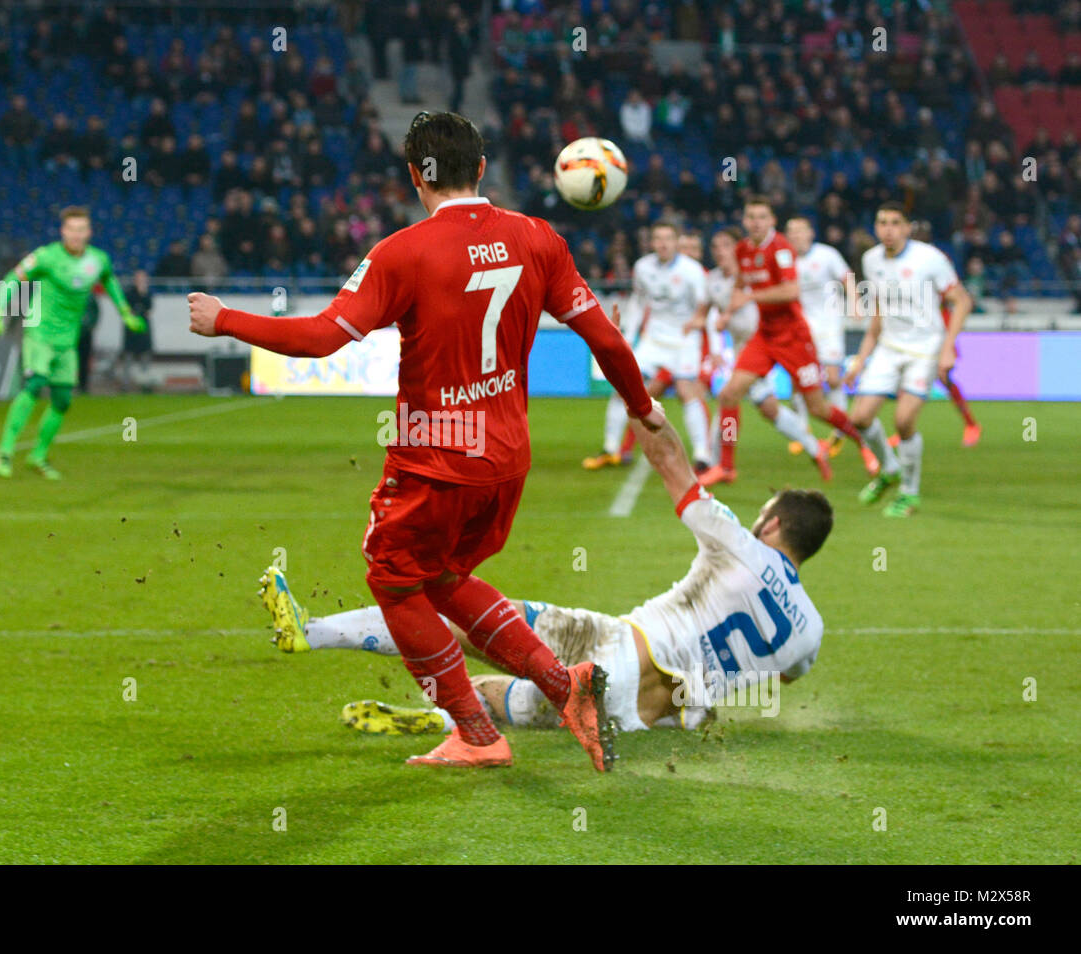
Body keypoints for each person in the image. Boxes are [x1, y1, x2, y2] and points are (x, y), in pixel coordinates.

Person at [189, 111, 666, 771]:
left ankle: (478, 733)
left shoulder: (403, 252)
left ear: (417, 176)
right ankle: (566, 686)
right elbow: (607, 339)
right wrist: (642, 409)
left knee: (392, 577)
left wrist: (225, 320)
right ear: (479, 169)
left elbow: (324, 338)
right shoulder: (538, 238)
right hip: (507, 457)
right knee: (443, 576)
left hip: (437, 455)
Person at [261, 403, 830, 741]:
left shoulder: (741, 545)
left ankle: (310, 633)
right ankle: (441, 723)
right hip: (630, 718)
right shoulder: (810, 629)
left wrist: (640, 401)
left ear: (774, 525)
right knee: (496, 692)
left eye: (763, 516)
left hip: (615, 647)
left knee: (459, 615)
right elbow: (785, 678)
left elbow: (672, 463)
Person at [699, 196, 876, 488]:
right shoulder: (743, 249)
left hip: (794, 338)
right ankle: (726, 466)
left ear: (771, 221)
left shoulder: (780, 247)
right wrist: (727, 312)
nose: (755, 222)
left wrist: (751, 298)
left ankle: (863, 444)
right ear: (744, 221)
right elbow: (741, 285)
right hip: (764, 336)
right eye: (750, 217)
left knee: (817, 407)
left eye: (761, 217)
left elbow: (791, 291)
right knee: (729, 394)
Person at [0, 207, 146, 479]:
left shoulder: (98, 260)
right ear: (63, 231)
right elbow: (14, 278)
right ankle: (4, 451)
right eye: (71, 229)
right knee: (35, 383)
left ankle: (38, 456)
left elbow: (108, 280)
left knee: (62, 400)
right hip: (39, 331)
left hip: (67, 340)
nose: (76, 235)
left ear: (89, 232)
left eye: (81, 229)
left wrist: (125, 311)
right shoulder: (47, 256)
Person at [847, 202, 973, 517]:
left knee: (903, 421)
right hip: (889, 347)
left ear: (906, 228)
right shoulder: (871, 260)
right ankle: (889, 468)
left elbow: (962, 301)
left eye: (894, 223)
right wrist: (862, 357)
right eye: (881, 223)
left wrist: (947, 347)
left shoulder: (929, 259)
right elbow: (878, 311)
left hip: (925, 349)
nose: (887, 229)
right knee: (859, 418)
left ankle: (909, 493)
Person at [582, 222, 712, 472]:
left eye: (668, 239)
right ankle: (611, 449)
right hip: (654, 339)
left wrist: (709, 339)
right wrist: (627, 337)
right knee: (623, 386)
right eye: (658, 239)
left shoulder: (692, 271)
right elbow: (639, 302)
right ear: (652, 243)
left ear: (676, 242)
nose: (663, 244)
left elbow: (705, 308)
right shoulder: (643, 267)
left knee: (687, 392)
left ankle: (702, 455)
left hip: (684, 340)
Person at [784, 217, 852, 456]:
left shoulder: (827, 255)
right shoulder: (784, 258)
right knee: (799, 381)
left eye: (800, 230)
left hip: (829, 326)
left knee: (833, 379)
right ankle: (802, 432)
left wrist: (854, 302)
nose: (796, 236)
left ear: (810, 233)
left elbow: (848, 278)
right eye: (791, 231)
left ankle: (838, 433)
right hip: (799, 328)